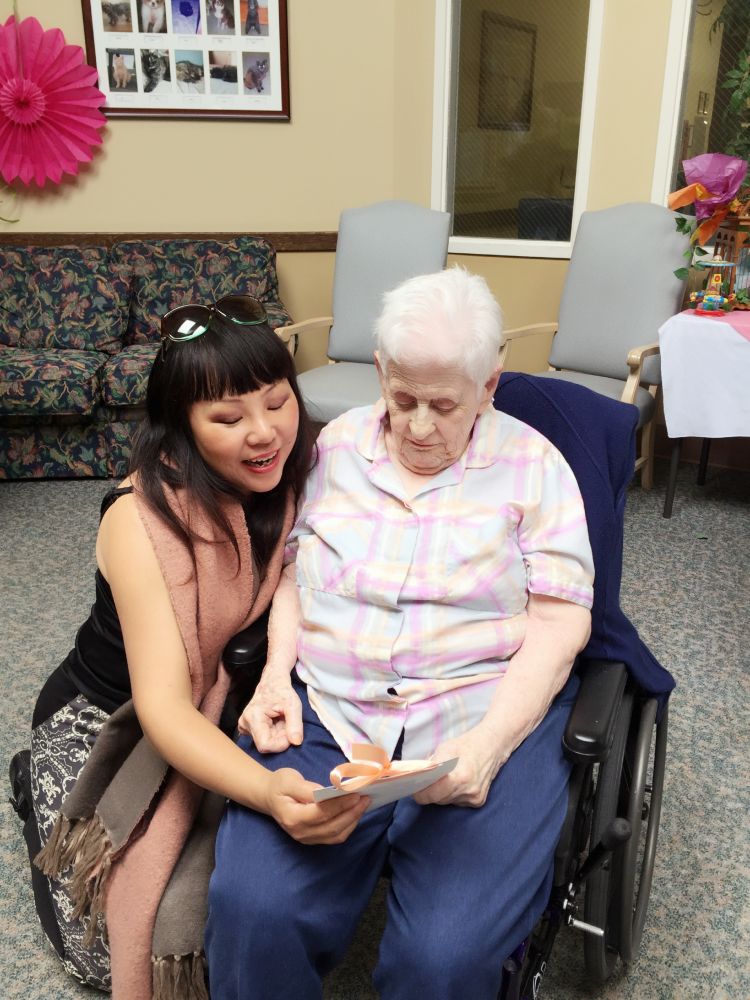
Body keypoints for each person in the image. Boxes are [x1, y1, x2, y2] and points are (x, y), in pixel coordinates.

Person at [205, 268, 596, 999]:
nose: (417, 426)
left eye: (443, 405)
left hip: (478, 716)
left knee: (444, 957)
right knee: (253, 910)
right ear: (381, 370)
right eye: (401, 397)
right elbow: (295, 574)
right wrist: (274, 677)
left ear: (489, 384)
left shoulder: (535, 468)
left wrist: (489, 747)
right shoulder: (333, 448)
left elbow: (560, 618)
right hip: (332, 710)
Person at [19, 296, 368, 999]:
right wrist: (265, 792)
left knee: (231, 924)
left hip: (230, 698)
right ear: (182, 423)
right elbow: (165, 711)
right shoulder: (139, 518)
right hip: (112, 719)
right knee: (117, 957)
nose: (263, 432)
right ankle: (34, 779)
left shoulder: (311, 467)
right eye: (228, 419)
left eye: (277, 402)